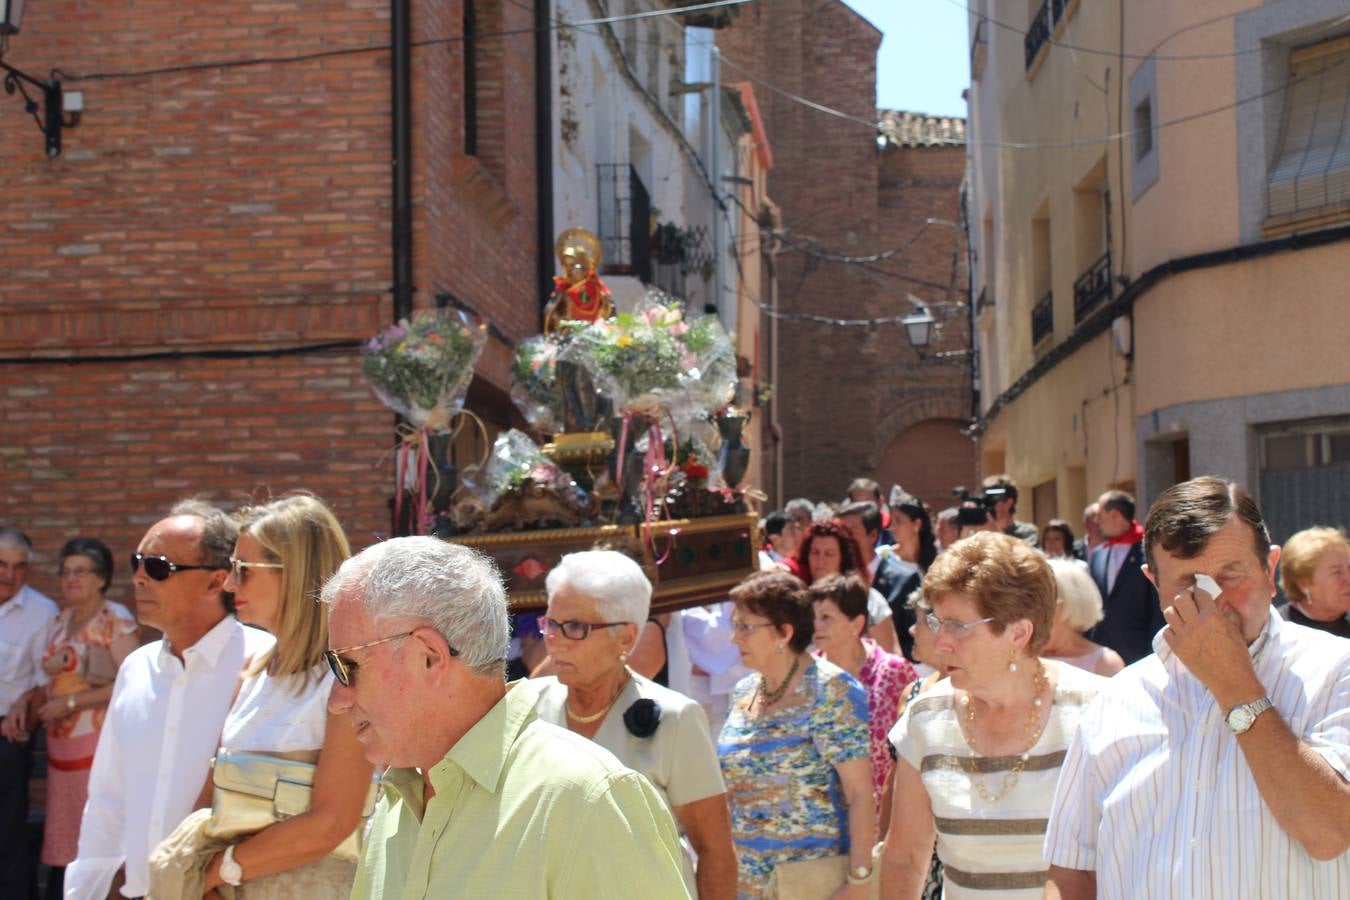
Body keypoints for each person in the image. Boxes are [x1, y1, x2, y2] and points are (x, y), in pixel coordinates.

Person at [322, 536, 689, 900]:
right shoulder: (399, 798)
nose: (337, 700)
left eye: (347, 666)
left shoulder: (588, 800)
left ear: (429, 655)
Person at [1045, 477, 1350, 898]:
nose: (1213, 602)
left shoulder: (1337, 671)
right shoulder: (1115, 699)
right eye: (1189, 582)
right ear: (1154, 583)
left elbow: (1331, 833)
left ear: (1269, 569)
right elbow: (1073, 871)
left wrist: (1234, 684)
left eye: (1230, 574)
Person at [154, 494, 375, 897]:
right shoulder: (252, 672)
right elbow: (213, 797)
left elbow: (332, 822)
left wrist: (216, 871)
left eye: (243, 570)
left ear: (294, 571)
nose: (229, 583)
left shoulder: (346, 680)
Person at [66, 501, 275, 900]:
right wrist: (95, 889)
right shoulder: (134, 669)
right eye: (137, 563)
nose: (140, 578)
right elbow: (108, 799)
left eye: (159, 567)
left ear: (216, 582)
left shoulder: (269, 664)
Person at [880, 532, 1106, 899]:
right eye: (938, 623)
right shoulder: (926, 715)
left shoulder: (1096, 710)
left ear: (1018, 633)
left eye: (957, 627)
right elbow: (904, 858)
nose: (940, 644)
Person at [531, 550, 736, 899]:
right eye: (551, 623)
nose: (556, 639)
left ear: (626, 638)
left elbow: (714, 850)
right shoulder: (529, 708)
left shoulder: (675, 719)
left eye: (576, 627)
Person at [718, 570, 875, 898]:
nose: (735, 638)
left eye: (745, 626)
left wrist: (860, 882)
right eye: (735, 626)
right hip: (748, 886)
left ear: (784, 633)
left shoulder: (831, 690)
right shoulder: (743, 692)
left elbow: (860, 793)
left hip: (813, 886)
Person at [23, 540, 138, 900]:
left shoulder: (114, 619)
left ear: (101, 578)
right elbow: (45, 681)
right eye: (66, 571)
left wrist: (72, 701)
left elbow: (132, 680)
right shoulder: (59, 621)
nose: (71, 579)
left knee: (99, 840)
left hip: (98, 751)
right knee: (66, 842)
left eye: (81, 571)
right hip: (61, 756)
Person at [809, 573, 916, 809]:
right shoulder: (806, 678)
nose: (816, 625)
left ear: (856, 624)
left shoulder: (893, 672)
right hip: (824, 820)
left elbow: (914, 751)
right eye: (813, 616)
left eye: (826, 617)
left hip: (884, 814)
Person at [0, 527, 59, 898]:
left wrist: (23, 716)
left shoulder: (41, 612)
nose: (9, 574)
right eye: (1, 564)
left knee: (7, 830)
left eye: (19, 567)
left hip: (7, 732)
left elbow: (46, 682)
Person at [795, 519, 901, 655]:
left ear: (843, 558)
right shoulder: (798, 600)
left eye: (829, 554)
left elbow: (890, 655)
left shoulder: (870, 600)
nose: (820, 561)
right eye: (815, 552)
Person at [1087, 489, 1165, 664]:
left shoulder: (1149, 553)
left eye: (1099, 515)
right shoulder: (1098, 554)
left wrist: (1154, 655)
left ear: (1115, 515)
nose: (1096, 521)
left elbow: (1157, 608)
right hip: (1102, 657)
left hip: (1137, 655)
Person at [1041, 558, 1124, 677]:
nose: (1033, 610)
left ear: (1071, 602)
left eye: (1043, 600)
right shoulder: (1018, 656)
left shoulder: (1106, 663)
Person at [1277, 526, 1350, 638]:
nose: (1348, 578)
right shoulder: (1277, 631)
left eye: (1349, 568)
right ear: (1304, 583)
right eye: (1337, 572)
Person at [886, 487, 939, 572]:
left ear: (917, 524)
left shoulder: (935, 563)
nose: (893, 527)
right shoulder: (885, 555)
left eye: (898, 521)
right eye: (891, 521)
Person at [982, 475, 1040, 548]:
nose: (987, 506)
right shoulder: (980, 533)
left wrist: (995, 531)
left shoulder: (1027, 531)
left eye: (991, 501)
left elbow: (1029, 557)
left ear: (1008, 503)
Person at [848, 477, 895, 545]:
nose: (863, 507)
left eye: (868, 502)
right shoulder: (845, 532)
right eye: (858, 503)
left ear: (880, 502)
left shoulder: (893, 527)